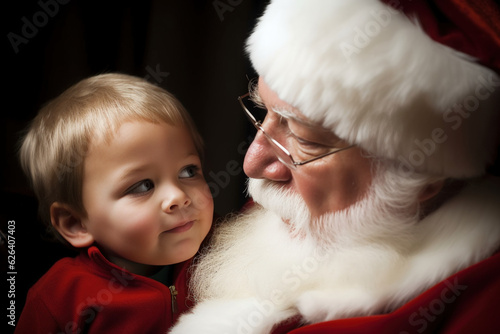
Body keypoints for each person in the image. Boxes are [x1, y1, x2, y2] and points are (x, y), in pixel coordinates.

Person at [170, 0, 500, 333]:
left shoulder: (477, 311)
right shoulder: (292, 217)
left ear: (420, 176)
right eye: (262, 112)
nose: (253, 164)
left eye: (305, 140)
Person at [15, 73, 214, 333]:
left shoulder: (224, 253)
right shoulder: (60, 298)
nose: (178, 196)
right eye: (142, 186)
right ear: (76, 223)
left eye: (188, 171)